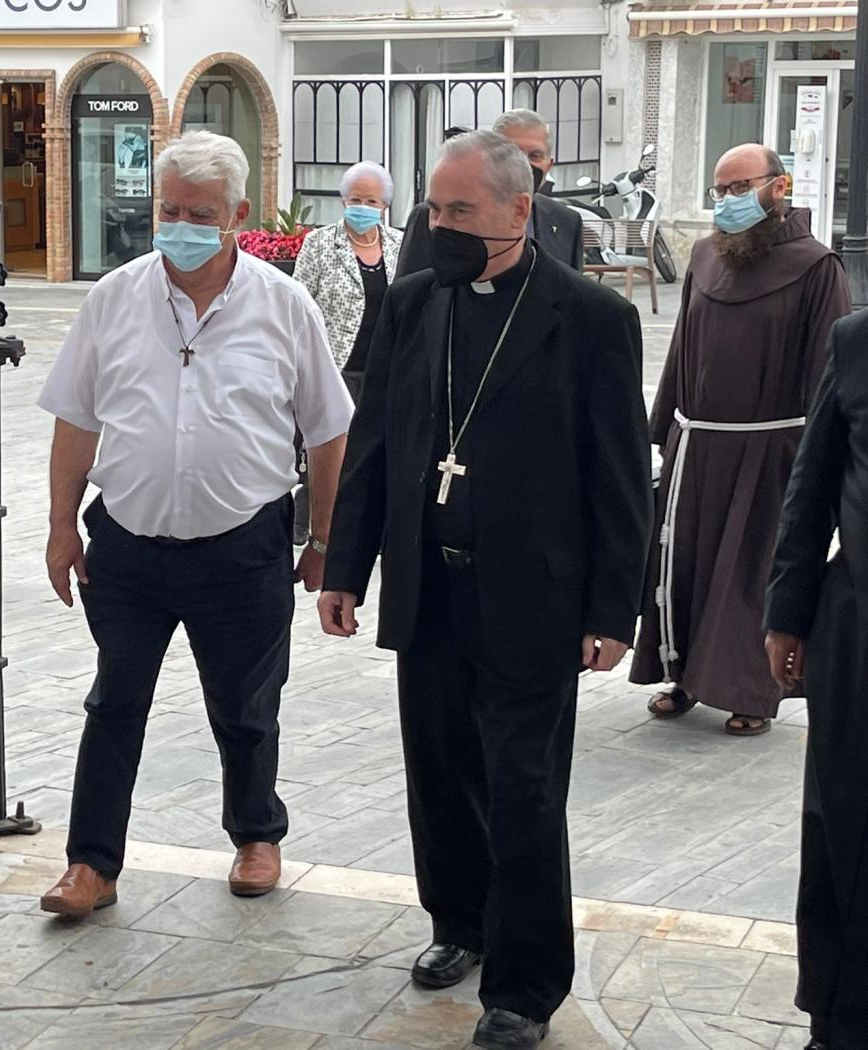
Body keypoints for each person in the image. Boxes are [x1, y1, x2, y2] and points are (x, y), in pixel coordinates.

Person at [319, 130, 650, 1049]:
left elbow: (621, 478)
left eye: (460, 210)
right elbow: (376, 444)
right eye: (434, 208)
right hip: (429, 589)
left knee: (525, 792)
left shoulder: (588, 317)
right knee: (439, 775)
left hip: (534, 598)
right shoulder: (416, 303)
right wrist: (347, 567)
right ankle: (457, 924)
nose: (441, 224)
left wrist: (612, 610)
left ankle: (527, 984)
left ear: (517, 210)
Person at [37, 131, 354, 919]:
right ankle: (91, 863)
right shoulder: (115, 296)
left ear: (238, 215)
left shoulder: (285, 305)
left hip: (242, 545)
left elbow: (328, 430)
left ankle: (256, 835)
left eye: (198, 212)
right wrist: (59, 526)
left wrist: (322, 538)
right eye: (168, 209)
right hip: (127, 545)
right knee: (114, 703)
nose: (178, 224)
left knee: (247, 705)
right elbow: (75, 419)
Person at [629, 144, 849, 736]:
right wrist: (664, 430)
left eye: (737, 188)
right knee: (683, 563)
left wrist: (816, 457)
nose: (725, 202)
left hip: (769, 447)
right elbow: (681, 346)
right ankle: (682, 672)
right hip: (697, 442)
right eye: (719, 191)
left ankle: (751, 689)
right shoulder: (704, 256)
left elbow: (826, 371)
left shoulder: (816, 266)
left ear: (777, 188)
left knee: (750, 572)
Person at [764, 309, 868, 1050]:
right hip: (858, 632)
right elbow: (813, 489)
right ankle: (837, 1021)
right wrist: (786, 615)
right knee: (843, 833)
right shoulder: (857, 341)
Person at [395, 110, 584, 278]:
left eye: (534, 156)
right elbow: (408, 298)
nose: (525, 165)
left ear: (549, 164)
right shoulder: (433, 216)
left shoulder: (567, 221)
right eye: (514, 153)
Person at [292, 160, 404, 399]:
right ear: (344, 200)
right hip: (334, 373)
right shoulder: (318, 243)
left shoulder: (400, 245)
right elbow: (296, 307)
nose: (363, 206)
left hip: (387, 373)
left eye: (371, 201)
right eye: (355, 200)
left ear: (384, 206)